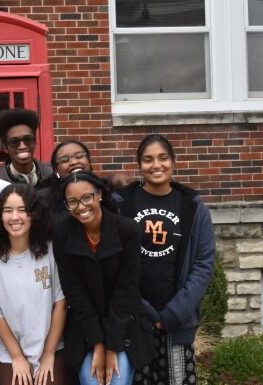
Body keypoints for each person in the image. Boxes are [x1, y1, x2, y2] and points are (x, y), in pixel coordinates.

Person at [113, 134, 216, 385]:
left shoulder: (193, 207)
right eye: (148, 160)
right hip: (134, 320)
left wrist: (173, 313)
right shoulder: (121, 205)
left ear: (173, 162)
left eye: (163, 158)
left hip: (176, 321)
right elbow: (113, 263)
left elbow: (203, 263)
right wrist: (145, 310)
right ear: (139, 165)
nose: (156, 165)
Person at [53, 171, 154, 385]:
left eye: (87, 198)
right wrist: (97, 343)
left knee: (117, 379)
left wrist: (112, 346)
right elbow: (74, 291)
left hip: (123, 322)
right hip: (85, 326)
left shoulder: (127, 230)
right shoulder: (62, 233)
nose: (81, 207)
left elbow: (126, 289)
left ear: (99, 195)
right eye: (72, 202)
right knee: (92, 380)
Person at [0, 184, 69, 385]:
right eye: (8, 210)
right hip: (9, 351)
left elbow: (61, 304)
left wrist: (49, 353)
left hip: (51, 346)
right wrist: (17, 357)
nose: (15, 217)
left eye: (23, 210)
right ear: (0, 216)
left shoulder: (51, 251)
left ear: (35, 214)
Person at [0, 108, 52, 187]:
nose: (22, 146)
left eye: (28, 139)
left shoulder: (53, 174)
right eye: (14, 142)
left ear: (35, 142)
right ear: (5, 147)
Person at [36, 140, 93, 224]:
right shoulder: (43, 199)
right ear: (56, 170)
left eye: (79, 156)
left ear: (89, 161)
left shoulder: (105, 192)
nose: (74, 162)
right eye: (65, 160)